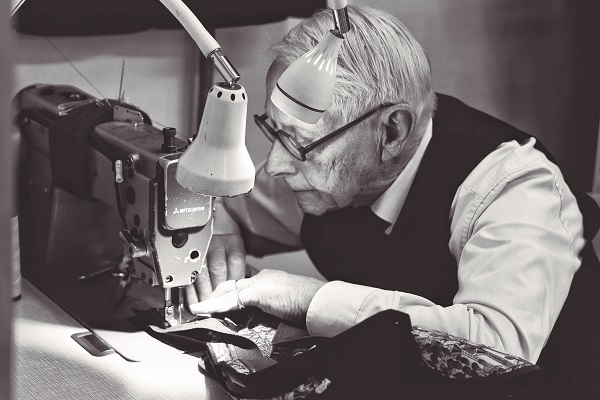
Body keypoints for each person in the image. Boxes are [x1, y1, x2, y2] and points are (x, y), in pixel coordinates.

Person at [185, 5, 600, 398]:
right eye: (275, 132)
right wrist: (218, 234)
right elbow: (229, 209)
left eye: (298, 142)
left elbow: (494, 349)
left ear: (392, 132)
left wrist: (307, 298)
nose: (276, 165)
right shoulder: (314, 168)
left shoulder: (511, 187)